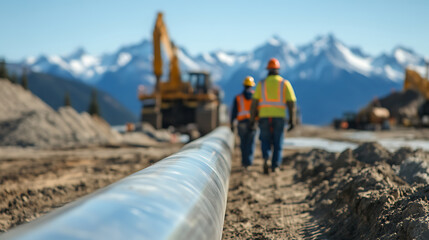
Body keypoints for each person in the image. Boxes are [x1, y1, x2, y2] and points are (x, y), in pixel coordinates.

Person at [249, 58, 297, 174]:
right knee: (278, 142)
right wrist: (292, 120)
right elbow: (291, 103)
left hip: (264, 117)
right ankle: (275, 166)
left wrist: (252, 119)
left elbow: (254, 103)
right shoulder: (285, 84)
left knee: (265, 139)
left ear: (268, 70)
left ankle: (266, 158)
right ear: (278, 70)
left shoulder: (261, 84)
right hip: (279, 117)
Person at [231, 76, 257, 169]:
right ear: (252, 85)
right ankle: (249, 162)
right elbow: (258, 110)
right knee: (251, 143)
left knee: (243, 143)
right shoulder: (255, 96)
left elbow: (234, 112)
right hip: (252, 122)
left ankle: (244, 162)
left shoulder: (238, 97)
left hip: (241, 123)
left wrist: (231, 124)